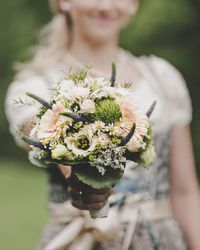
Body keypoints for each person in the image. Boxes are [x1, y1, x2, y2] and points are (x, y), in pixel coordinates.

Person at [5, 0, 200, 249]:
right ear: (64, 2)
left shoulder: (162, 79)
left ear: (133, 5)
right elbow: (62, 157)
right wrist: (86, 187)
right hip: (80, 240)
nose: (106, 6)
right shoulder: (35, 88)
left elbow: (185, 191)